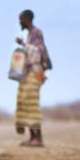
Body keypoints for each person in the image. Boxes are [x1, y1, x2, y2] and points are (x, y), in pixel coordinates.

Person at [15, 10, 52, 147]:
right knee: (26, 104)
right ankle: (32, 138)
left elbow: (38, 52)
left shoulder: (36, 32)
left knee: (32, 105)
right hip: (28, 73)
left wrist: (24, 45)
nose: (19, 22)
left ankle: (38, 138)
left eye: (21, 19)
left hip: (35, 72)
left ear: (27, 19)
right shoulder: (31, 34)